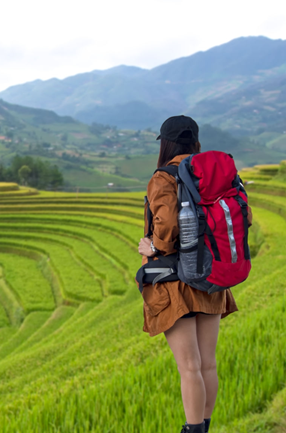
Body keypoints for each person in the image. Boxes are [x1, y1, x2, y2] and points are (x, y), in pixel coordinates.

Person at [138, 115, 248, 433]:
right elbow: (245, 214)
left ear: (167, 143)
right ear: (195, 142)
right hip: (212, 275)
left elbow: (168, 226)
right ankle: (204, 426)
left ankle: (192, 429)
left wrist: (153, 248)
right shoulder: (215, 174)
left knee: (189, 366)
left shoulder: (164, 177)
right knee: (207, 363)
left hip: (175, 280)